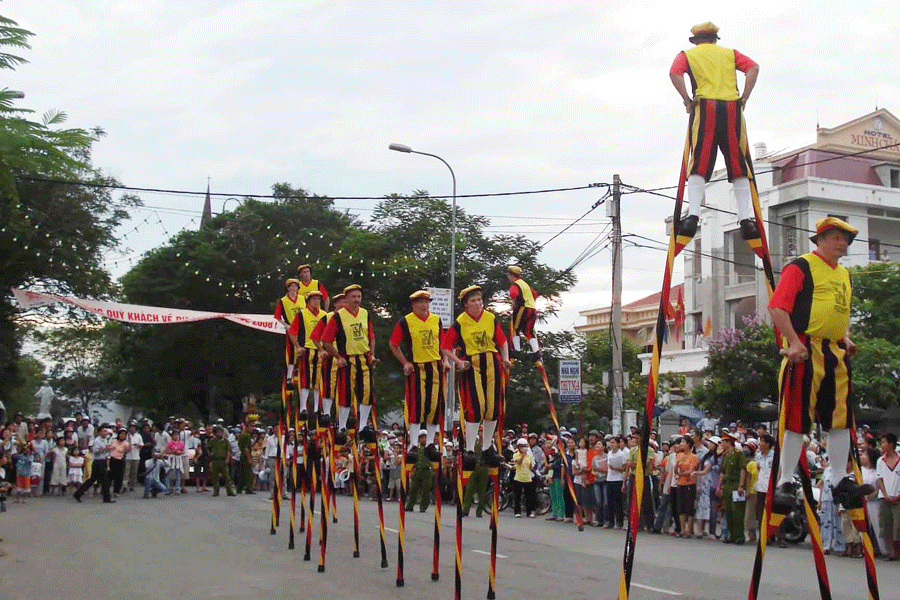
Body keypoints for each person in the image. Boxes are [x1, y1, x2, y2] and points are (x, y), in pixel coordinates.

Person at [768, 217, 874, 511]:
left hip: (835, 351)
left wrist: (846, 337)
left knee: (840, 417)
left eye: (847, 239)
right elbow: (778, 307)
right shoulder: (801, 266)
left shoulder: (844, 274)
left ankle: (840, 480)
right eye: (838, 238)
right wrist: (793, 342)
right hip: (806, 346)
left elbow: (840, 312)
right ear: (822, 239)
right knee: (797, 417)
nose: (844, 243)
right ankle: (785, 481)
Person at [669, 21, 761, 243]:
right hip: (731, 108)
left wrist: (687, 101)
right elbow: (753, 68)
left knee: (699, 161)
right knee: (738, 163)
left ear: (695, 41)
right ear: (714, 39)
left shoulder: (688, 55)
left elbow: (674, 73)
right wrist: (745, 96)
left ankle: (692, 217)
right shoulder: (730, 54)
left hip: (706, 107)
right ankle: (746, 219)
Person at [441, 285, 512, 463]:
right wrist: (458, 362)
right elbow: (445, 346)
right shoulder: (460, 322)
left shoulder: (490, 318)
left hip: (492, 363)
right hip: (472, 365)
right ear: (466, 304)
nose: (478, 303)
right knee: (475, 406)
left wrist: (505, 359)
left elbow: (502, 341)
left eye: (479, 300)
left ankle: (488, 448)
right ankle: (470, 449)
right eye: (473, 301)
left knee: (493, 407)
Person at [389, 290, 448, 451]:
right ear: (414, 304)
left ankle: (430, 443)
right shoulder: (405, 322)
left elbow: (443, 344)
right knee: (416, 405)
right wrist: (404, 362)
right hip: (416, 367)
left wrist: (446, 361)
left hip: (435, 366)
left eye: (427, 302)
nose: (424, 305)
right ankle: (413, 443)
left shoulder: (436, 320)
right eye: (421, 302)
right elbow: (394, 344)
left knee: (434, 404)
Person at [321, 284, 378, 432]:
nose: (357, 300)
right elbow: (326, 340)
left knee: (367, 392)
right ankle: (341, 426)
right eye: (353, 297)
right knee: (345, 393)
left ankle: (364, 425)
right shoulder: (338, 316)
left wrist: (371, 355)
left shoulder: (365, 313)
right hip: (347, 359)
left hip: (364, 357)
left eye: (359, 296)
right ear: (346, 299)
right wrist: (338, 357)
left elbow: (371, 336)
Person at [289, 289, 326, 414]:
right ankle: (303, 407)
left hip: (321, 350)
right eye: (314, 299)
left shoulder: (324, 315)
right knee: (305, 378)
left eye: (318, 299)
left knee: (318, 379)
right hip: (306, 349)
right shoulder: (302, 314)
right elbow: (292, 332)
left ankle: (316, 407)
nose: (316, 301)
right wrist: (298, 346)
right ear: (308, 301)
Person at [718, 433, 748, 544]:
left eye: (723, 442)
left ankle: (739, 536)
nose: (721, 444)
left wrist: (741, 485)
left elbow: (742, 470)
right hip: (727, 485)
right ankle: (732, 535)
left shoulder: (738, 454)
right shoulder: (725, 455)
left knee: (738, 511)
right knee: (728, 511)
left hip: (736, 485)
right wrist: (720, 486)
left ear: (728, 442)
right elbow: (722, 472)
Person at [506, 265, 540, 356]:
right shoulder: (525, 284)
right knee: (528, 331)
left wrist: (513, 305)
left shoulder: (515, 285)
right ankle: (536, 352)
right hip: (533, 309)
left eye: (509, 275)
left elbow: (514, 294)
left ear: (512, 276)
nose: (508, 277)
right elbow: (535, 294)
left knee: (514, 329)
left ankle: (517, 350)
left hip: (523, 308)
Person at [876, 433, 900, 560]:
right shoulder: (880, 461)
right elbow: (879, 480)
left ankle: (897, 550)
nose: (882, 445)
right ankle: (892, 552)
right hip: (884, 498)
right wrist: (885, 495)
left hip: (898, 498)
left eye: (884, 442)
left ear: (890, 444)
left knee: (898, 525)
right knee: (886, 525)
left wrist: (897, 496)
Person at [74, 427, 114, 503]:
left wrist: (108, 449)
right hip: (98, 462)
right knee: (103, 479)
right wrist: (105, 449)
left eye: (106, 431)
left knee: (93, 479)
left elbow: (105, 451)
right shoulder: (97, 441)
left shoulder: (105, 440)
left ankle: (78, 494)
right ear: (99, 432)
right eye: (104, 431)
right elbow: (96, 452)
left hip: (103, 460)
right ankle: (106, 498)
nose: (106, 433)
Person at [675, 436, 699, 538]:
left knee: (689, 507)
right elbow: (675, 469)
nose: (681, 444)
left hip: (690, 483)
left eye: (683, 442)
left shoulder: (694, 457)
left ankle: (689, 530)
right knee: (681, 507)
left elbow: (691, 470)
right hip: (681, 483)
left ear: (689, 444)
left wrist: (681, 473)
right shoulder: (679, 455)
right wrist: (677, 468)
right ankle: (682, 530)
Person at [405, 430, 433, 513]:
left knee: (426, 489)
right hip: (417, 470)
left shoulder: (430, 448)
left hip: (427, 471)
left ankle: (423, 506)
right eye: (421, 438)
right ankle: (410, 505)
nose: (423, 439)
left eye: (425, 437)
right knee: (413, 489)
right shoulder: (415, 448)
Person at [208, 425, 236, 497]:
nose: (220, 433)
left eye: (221, 432)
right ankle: (216, 491)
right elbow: (208, 449)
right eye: (218, 432)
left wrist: (227, 459)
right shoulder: (212, 441)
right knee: (215, 477)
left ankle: (229, 491)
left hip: (223, 460)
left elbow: (228, 451)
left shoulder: (226, 441)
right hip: (215, 460)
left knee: (226, 476)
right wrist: (210, 454)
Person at [512, 438, 536, 518]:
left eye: (525, 446)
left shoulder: (529, 455)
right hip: (518, 478)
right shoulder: (516, 454)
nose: (524, 448)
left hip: (527, 478)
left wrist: (532, 464)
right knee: (517, 496)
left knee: (528, 497)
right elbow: (518, 462)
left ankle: (529, 512)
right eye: (522, 446)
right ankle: (517, 512)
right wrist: (522, 455)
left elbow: (531, 466)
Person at [109, 428, 131, 495]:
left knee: (119, 476)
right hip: (112, 459)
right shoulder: (114, 440)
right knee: (111, 475)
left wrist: (130, 440)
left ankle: (116, 491)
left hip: (120, 459)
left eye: (124, 434)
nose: (122, 435)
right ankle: (106, 490)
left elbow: (129, 450)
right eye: (121, 434)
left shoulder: (125, 443)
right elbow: (109, 448)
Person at [123, 422, 143, 492]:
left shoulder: (138, 436)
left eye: (133, 427)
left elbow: (141, 445)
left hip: (136, 456)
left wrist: (138, 445)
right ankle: (125, 485)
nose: (132, 428)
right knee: (126, 472)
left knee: (134, 472)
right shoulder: (126, 436)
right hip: (128, 456)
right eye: (131, 427)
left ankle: (132, 485)